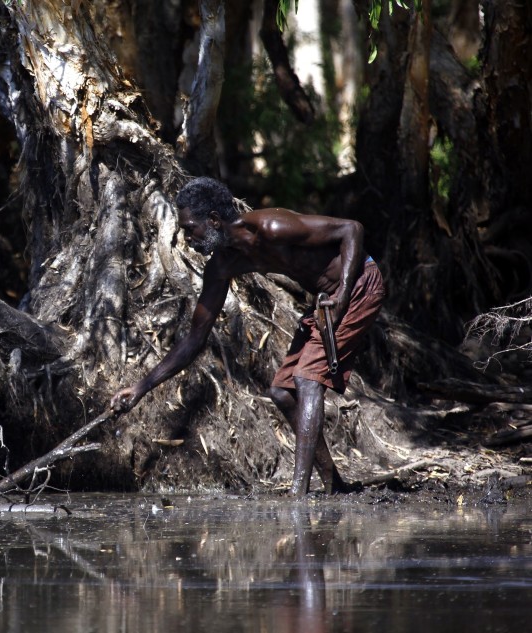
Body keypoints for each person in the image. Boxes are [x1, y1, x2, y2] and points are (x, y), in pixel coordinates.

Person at [110, 177, 385, 497]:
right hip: (326, 299)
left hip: (360, 285)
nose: (187, 239)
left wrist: (343, 295)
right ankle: (334, 485)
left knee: (308, 380)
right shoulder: (223, 265)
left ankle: (298, 494)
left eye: (190, 229)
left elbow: (351, 229)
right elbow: (195, 338)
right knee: (282, 391)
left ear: (214, 219)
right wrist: (140, 388)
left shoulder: (271, 227)